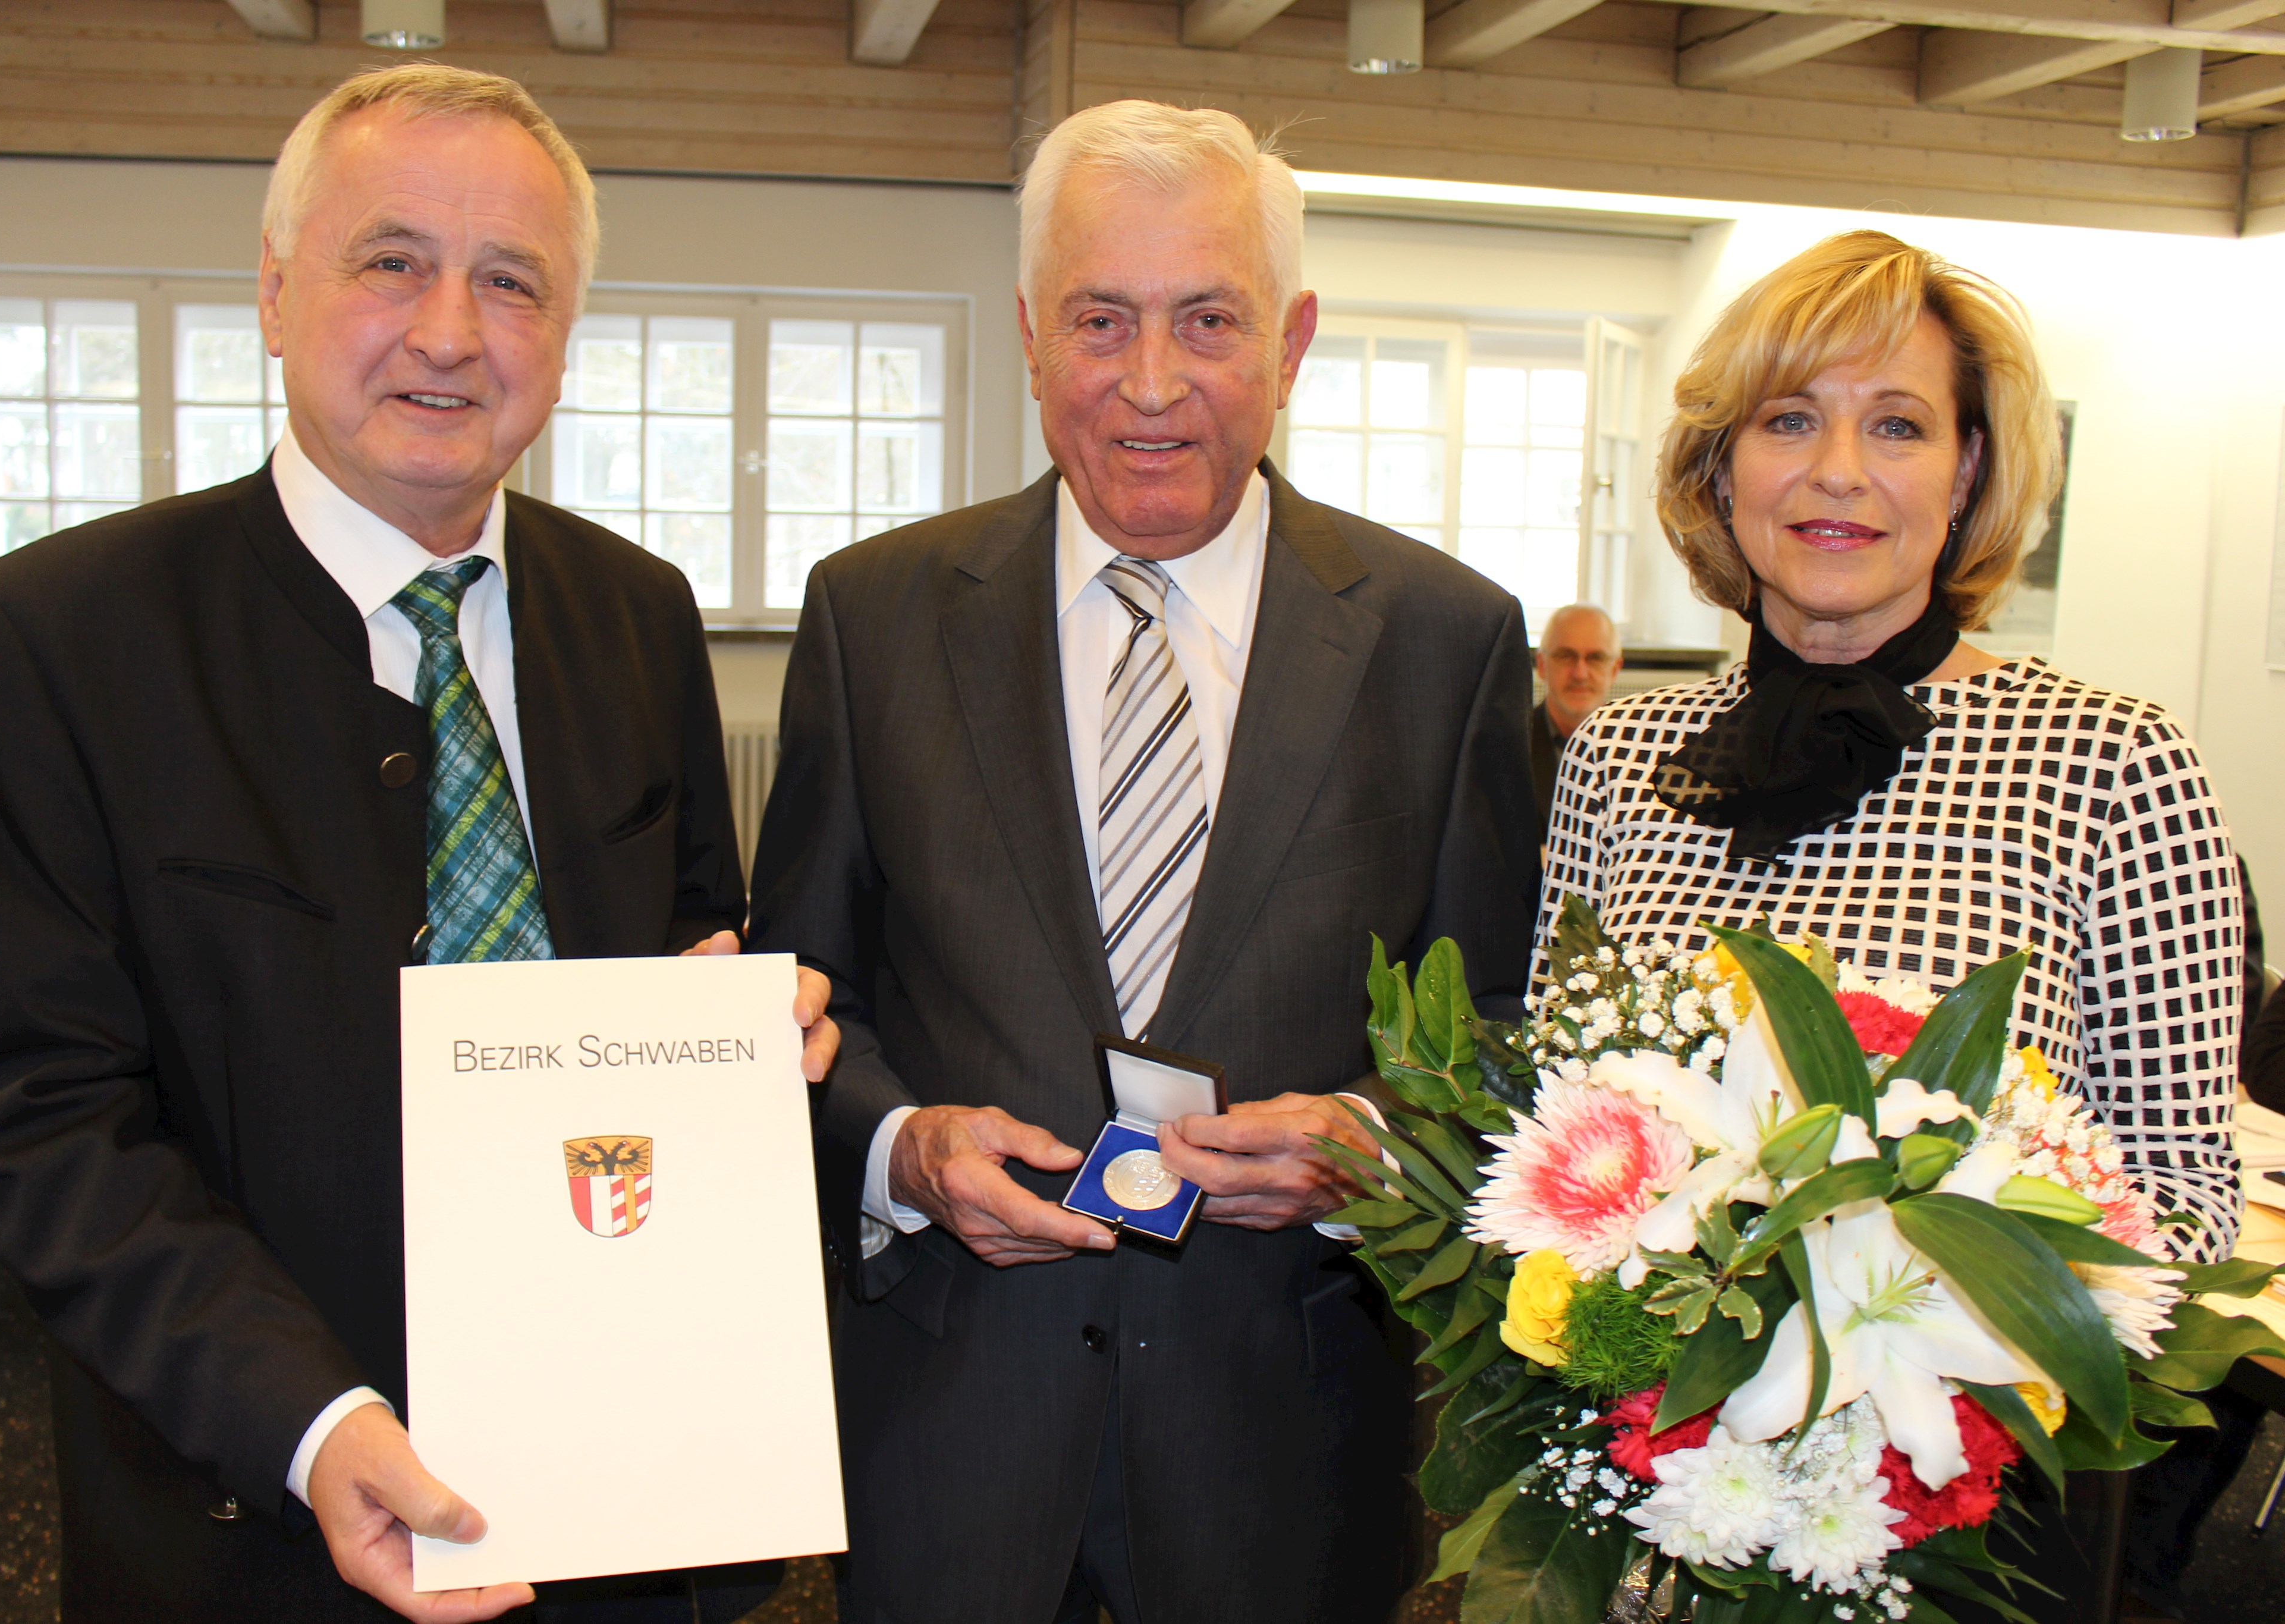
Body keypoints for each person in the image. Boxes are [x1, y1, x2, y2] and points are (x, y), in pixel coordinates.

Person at [0, 65, 834, 1624]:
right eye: (391, 261)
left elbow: (692, 938)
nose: (450, 332)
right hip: (252, 1517)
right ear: (275, 293)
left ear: (566, 331)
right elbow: (32, 1111)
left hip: (626, 1511)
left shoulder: (637, 613)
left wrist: (742, 1026)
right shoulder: (52, 641)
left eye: (510, 282)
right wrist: (312, 1417)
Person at [747, 100, 1539, 1624]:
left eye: (1209, 319)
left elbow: (1494, 1033)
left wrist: (1367, 1143)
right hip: (951, 1427)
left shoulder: (1447, 642)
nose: (1153, 383)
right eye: (1103, 320)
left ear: (1292, 340)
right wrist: (900, 1146)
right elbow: (798, 995)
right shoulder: (874, 615)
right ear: (1034, 334)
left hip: (1286, 1444)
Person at [1536, 230, 2245, 1624]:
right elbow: (1559, 1126)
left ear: (1970, 471)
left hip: (1957, 1518)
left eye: (1898, 424)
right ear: (1718, 469)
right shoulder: (1618, 753)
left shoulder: (2114, 761)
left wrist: (1950, 1334)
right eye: (1789, 420)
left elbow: (2185, 1199)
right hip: (1654, 1501)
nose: (1838, 471)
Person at [1529, 602, 1623, 837]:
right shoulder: (1508, 745)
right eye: (1565, 656)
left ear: (1615, 669)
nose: (1580, 674)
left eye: (1596, 658)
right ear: (1541, 665)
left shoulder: (1639, 750)